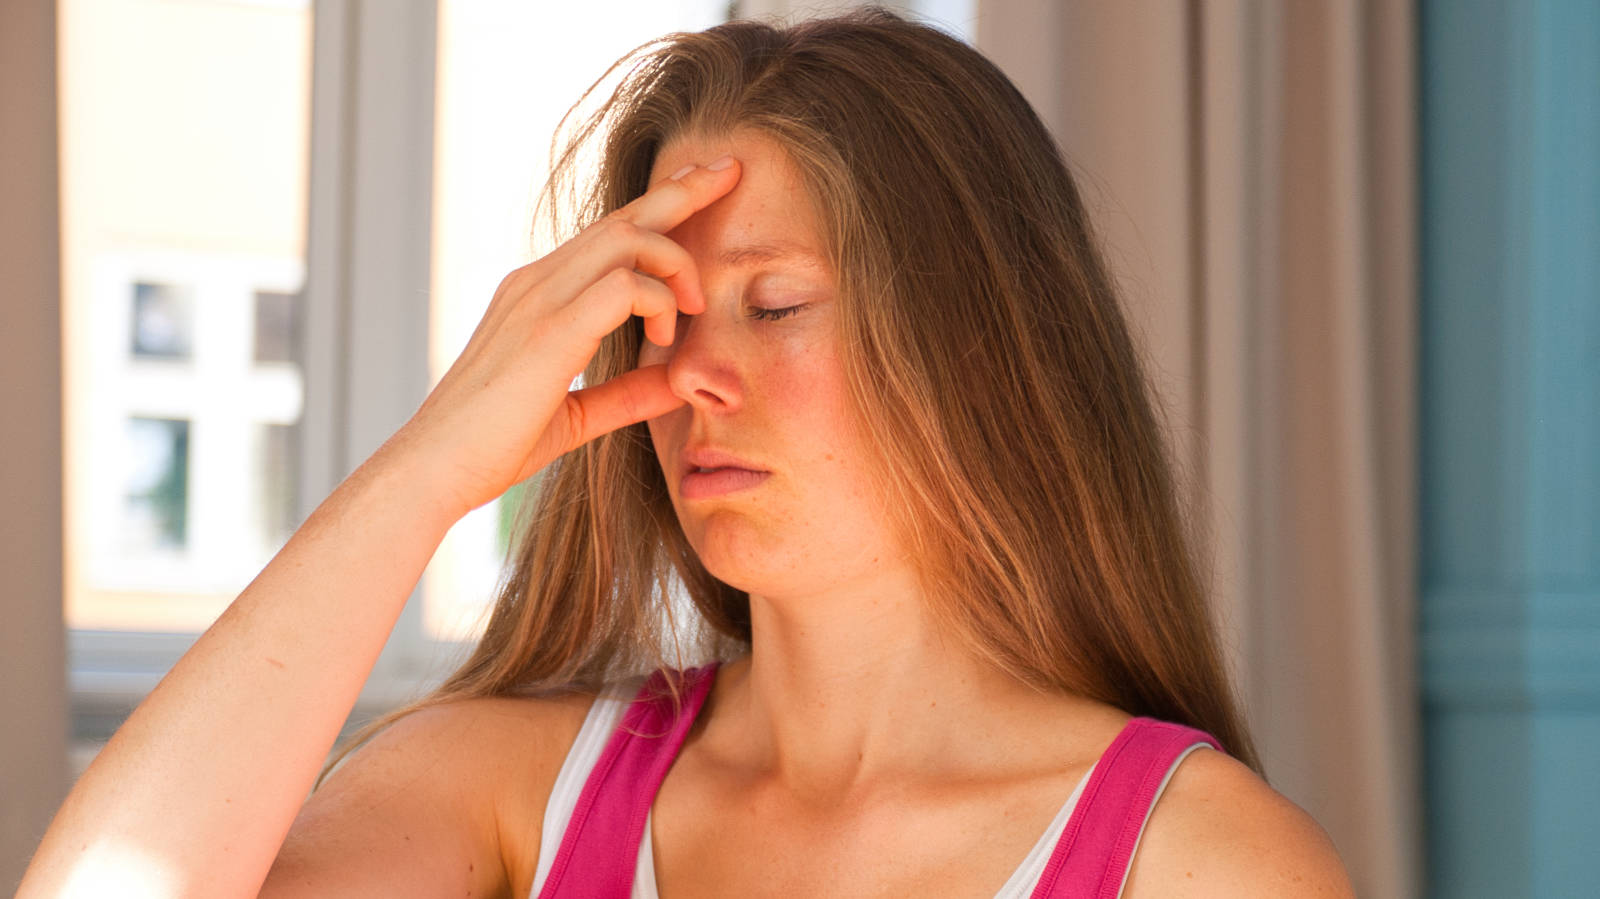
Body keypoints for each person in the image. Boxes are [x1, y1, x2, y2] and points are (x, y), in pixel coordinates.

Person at [22, 8, 1354, 898]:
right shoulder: (508, 791)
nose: (691, 377)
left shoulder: (1199, 861)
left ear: (975, 343)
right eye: (660, 323)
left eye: (775, 307)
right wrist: (426, 468)